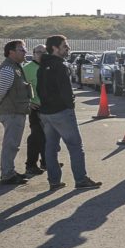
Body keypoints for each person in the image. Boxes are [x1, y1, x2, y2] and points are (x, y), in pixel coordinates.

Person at [38, 35, 101, 191]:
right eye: (65, 46)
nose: (68, 49)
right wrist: (69, 106)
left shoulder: (42, 65)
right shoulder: (60, 66)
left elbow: (39, 89)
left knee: (50, 147)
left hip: (45, 112)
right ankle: (80, 179)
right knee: (75, 146)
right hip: (61, 112)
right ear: (55, 48)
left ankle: (54, 181)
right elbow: (65, 91)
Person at [0, 40, 32, 185]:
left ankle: (9, 170)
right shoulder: (8, 69)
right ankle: (7, 174)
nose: (25, 52)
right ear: (11, 52)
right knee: (11, 144)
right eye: (21, 49)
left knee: (13, 144)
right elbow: (0, 91)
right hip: (11, 112)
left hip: (16, 111)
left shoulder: (16, 67)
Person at [22, 44, 47, 176]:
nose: (42, 54)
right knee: (36, 137)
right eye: (39, 52)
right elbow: (19, 89)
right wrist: (28, 102)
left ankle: (46, 161)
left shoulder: (48, 67)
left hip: (49, 108)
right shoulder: (26, 69)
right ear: (33, 53)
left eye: (44, 52)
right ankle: (31, 164)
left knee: (48, 137)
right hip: (36, 108)